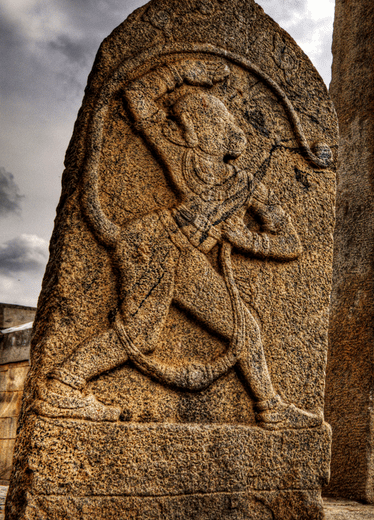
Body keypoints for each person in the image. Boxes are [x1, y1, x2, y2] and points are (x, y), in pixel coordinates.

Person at [35, 58, 321, 430]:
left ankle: (270, 407)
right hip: (151, 243)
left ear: (225, 130)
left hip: (184, 256)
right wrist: (182, 71)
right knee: (140, 333)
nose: (193, 130)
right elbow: (136, 95)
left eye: (207, 123)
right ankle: (61, 387)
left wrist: (248, 239)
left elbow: (292, 243)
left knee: (244, 325)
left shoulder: (246, 184)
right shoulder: (181, 153)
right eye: (191, 124)